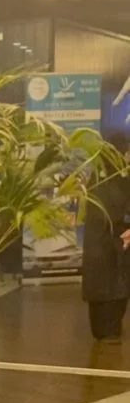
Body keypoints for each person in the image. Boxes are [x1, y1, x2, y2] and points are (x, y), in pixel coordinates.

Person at [82, 131, 130, 343]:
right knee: (109, 295)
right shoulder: (113, 178)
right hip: (109, 247)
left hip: (106, 249)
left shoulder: (102, 176)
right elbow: (114, 213)